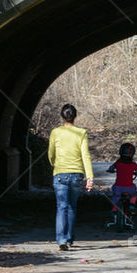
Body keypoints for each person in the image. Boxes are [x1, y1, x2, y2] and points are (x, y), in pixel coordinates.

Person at [48, 104, 94, 251]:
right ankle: (68, 239)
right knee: (72, 207)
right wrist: (90, 177)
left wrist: (55, 165)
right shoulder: (81, 133)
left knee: (61, 207)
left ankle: (61, 239)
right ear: (75, 116)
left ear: (62, 116)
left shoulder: (56, 132)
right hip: (76, 175)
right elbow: (85, 155)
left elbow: (51, 153)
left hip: (60, 174)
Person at [106, 142, 137, 215]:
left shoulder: (117, 163)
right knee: (134, 195)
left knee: (116, 196)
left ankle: (114, 209)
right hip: (129, 187)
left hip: (118, 187)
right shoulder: (133, 164)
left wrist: (111, 170)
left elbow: (110, 168)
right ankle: (132, 204)